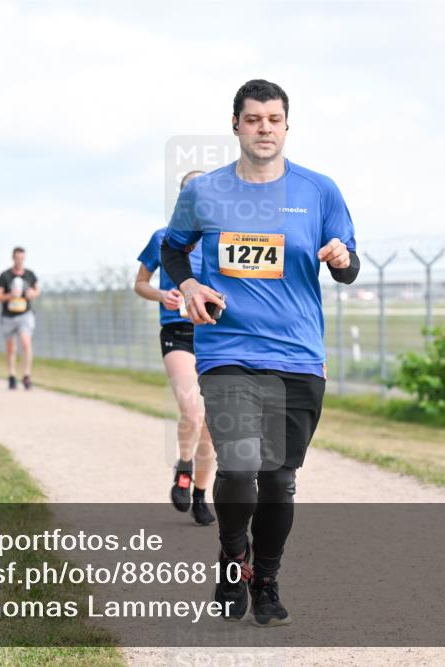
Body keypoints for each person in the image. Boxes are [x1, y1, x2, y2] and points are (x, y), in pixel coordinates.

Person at [161, 79, 360, 627]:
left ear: (287, 125)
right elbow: (172, 250)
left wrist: (342, 259)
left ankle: (266, 577)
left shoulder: (319, 190)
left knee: (277, 480)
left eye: (273, 119)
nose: (264, 128)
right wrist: (190, 286)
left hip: (297, 355)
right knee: (240, 467)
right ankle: (233, 557)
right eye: (253, 119)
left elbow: (349, 268)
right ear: (236, 125)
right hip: (227, 350)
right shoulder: (205, 192)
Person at [135, 170, 216, 526]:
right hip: (178, 332)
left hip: (214, 335)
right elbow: (140, 283)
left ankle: (200, 493)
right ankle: (184, 467)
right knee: (193, 412)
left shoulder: (220, 238)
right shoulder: (163, 237)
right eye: (191, 191)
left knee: (213, 422)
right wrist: (161, 295)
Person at [0, 247, 40, 390]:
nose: (20, 261)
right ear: (13, 258)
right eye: (17, 258)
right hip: (8, 316)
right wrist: (10, 295)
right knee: (11, 347)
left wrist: (32, 293)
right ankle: (12, 375)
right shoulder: (5, 276)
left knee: (26, 342)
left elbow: (37, 290)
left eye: (22, 258)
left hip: (25, 314)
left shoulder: (30, 275)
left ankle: (26, 375)